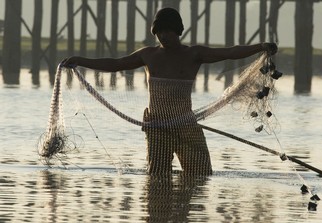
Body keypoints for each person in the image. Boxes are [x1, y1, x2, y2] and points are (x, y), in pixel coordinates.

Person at [62, 7, 277, 176]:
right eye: (159, 32)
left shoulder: (194, 54)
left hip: (185, 124)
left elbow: (230, 52)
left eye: (168, 31)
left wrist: (260, 47)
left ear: (178, 32)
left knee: (201, 175)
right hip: (157, 126)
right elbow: (116, 64)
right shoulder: (148, 55)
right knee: (157, 177)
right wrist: (81, 60)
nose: (163, 36)